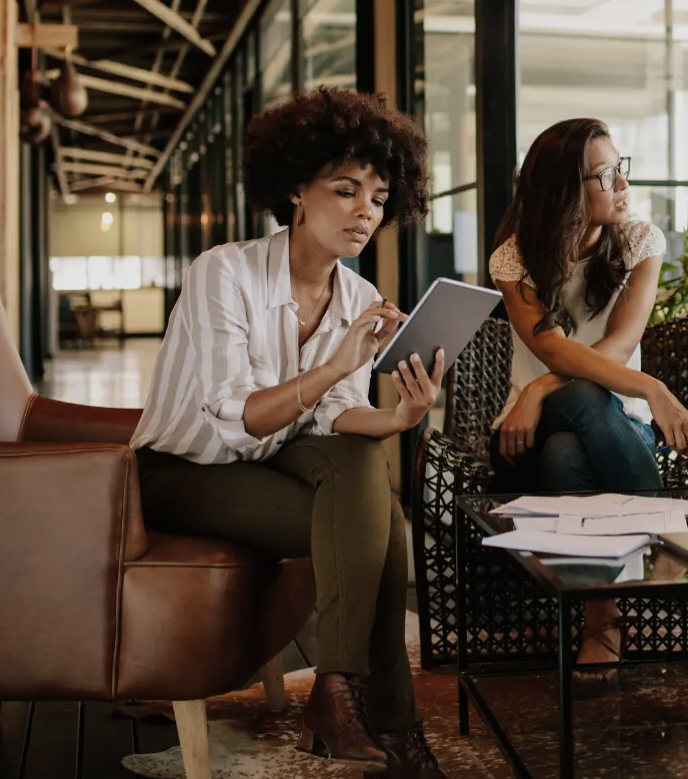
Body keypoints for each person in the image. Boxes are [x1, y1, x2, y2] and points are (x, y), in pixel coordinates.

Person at [129, 88, 449, 778]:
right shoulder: (225, 272)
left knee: (365, 468)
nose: (366, 210)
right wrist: (337, 361)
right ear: (296, 191)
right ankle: (393, 728)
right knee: (381, 528)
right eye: (345, 190)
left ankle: (341, 699)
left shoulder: (359, 297)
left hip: (275, 461)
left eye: (380, 196)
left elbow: (336, 410)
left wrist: (397, 417)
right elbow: (232, 415)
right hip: (185, 471)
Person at [488, 118, 688, 689]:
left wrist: (541, 385)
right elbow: (549, 347)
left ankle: (602, 625)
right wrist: (651, 387)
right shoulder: (513, 259)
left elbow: (617, 345)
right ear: (566, 191)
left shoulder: (641, 242)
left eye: (621, 168)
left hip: (610, 425)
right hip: (526, 433)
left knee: (570, 452)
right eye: (605, 174)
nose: (622, 184)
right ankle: (685, 567)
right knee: (568, 423)